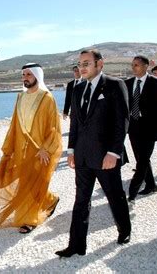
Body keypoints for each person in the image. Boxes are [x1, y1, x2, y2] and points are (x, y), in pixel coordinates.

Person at [56, 50, 131, 258]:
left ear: (100, 64)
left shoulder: (115, 85)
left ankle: (124, 230)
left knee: (114, 196)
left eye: (86, 63)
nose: (82, 67)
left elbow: (122, 121)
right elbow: (75, 124)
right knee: (81, 200)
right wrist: (71, 151)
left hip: (105, 156)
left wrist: (114, 153)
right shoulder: (77, 89)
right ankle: (76, 245)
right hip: (82, 157)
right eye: (80, 64)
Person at [0, 63, 62, 234]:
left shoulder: (47, 98)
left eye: (29, 74)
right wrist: (8, 149)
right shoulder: (20, 97)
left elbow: (54, 128)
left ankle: (29, 219)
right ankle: (51, 199)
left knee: (34, 180)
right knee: (26, 182)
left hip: (40, 150)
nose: (25, 78)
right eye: (23, 75)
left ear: (37, 75)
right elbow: (14, 125)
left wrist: (46, 149)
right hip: (21, 148)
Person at [125, 57, 157, 202]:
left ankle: (131, 193)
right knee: (141, 158)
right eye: (132, 65)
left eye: (137, 65)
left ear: (146, 66)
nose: (134, 68)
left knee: (143, 161)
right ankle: (151, 185)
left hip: (150, 128)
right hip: (133, 128)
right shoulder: (127, 83)